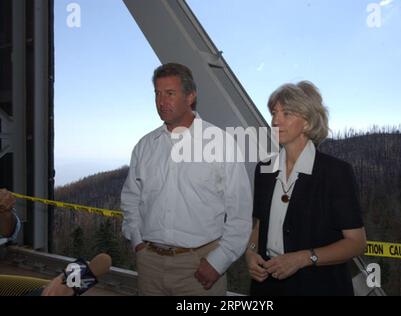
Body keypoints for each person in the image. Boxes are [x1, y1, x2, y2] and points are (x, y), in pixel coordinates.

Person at [121, 63, 252, 296]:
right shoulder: (145, 146)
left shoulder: (220, 144)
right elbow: (131, 198)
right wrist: (138, 242)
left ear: (190, 97)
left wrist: (218, 261)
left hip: (200, 267)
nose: (161, 102)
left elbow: (240, 213)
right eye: (157, 94)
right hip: (149, 264)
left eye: (170, 93)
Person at [245, 81, 367, 296]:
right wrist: (250, 253)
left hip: (319, 286)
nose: (275, 120)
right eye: (274, 113)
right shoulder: (264, 169)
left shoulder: (335, 172)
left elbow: (356, 243)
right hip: (267, 286)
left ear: (308, 122)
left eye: (287, 113)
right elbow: (258, 224)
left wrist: (303, 258)